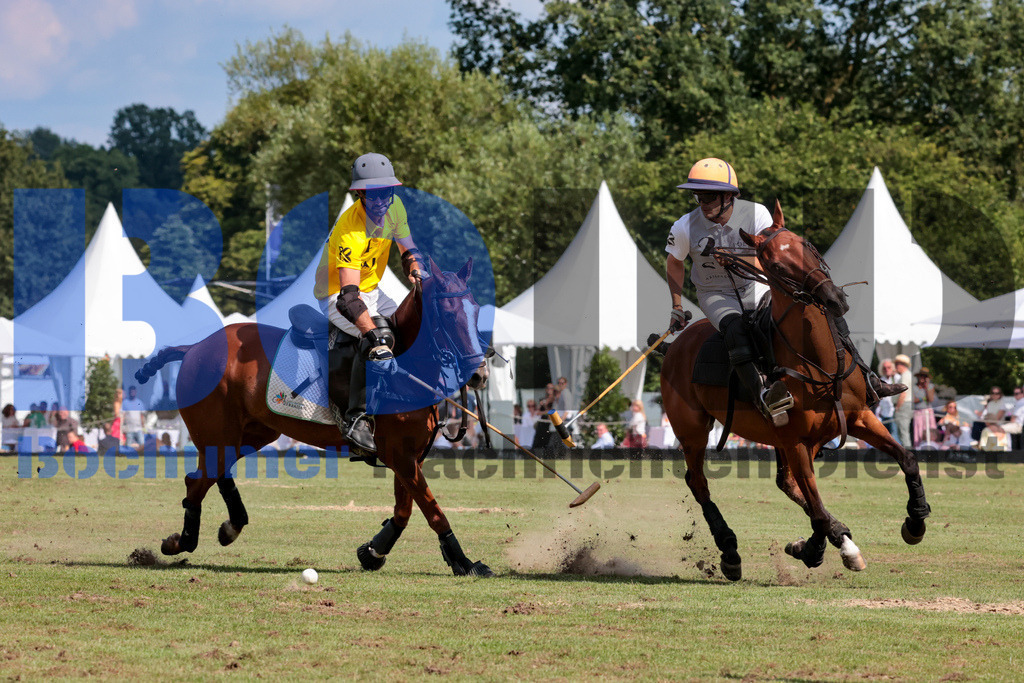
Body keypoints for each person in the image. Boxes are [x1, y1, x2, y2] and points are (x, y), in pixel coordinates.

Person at [664, 157, 902, 429]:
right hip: (716, 293)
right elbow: (674, 262)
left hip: (756, 285)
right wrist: (676, 305)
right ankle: (763, 394)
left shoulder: (757, 214)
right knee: (735, 329)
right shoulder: (684, 226)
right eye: (698, 196)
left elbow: (770, 253)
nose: (702, 203)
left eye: (708, 196)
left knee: (815, 312)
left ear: (728, 196)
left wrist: (737, 260)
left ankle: (867, 377)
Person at [314, 152, 423, 454]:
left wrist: (415, 268)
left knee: (417, 322)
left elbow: (408, 248)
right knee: (379, 337)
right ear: (360, 194)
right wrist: (373, 334)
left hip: (374, 290)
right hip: (337, 294)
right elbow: (348, 299)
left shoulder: (395, 207)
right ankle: (357, 419)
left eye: (385, 193)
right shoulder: (350, 229)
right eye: (372, 195)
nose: (380, 201)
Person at [911, 367, 937, 447]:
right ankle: (918, 446)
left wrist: (926, 387)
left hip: (928, 411)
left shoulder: (930, 387)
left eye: (925, 376)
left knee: (929, 430)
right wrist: (922, 398)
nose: (923, 378)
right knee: (918, 430)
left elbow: (931, 399)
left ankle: (930, 446)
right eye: (921, 376)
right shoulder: (914, 387)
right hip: (918, 412)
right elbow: (913, 400)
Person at [874, 358, 899, 440]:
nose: (886, 370)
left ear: (893, 368)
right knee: (884, 436)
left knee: (894, 435)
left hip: (894, 412)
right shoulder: (882, 380)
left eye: (889, 367)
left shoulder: (897, 378)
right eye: (884, 368)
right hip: (883, 412)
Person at [892, 354, 914, 447]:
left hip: (904, 405)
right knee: (903, 431)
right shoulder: (907, 375)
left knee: (903, 431)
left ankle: (908, 451)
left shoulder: (905, 375)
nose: (896, 367)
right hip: (907, 405)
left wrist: (897, 407)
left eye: (897, 364)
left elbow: (903, 393)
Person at [121, 385, 147, 450]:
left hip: (138, 428)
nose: (132, 393)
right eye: (131, 392)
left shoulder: (139, 403)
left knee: (142, 444)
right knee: (129, 445)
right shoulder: (125, 403)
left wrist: (143, 427)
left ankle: (142, 456)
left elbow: (142, 416)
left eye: (133, 392)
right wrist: (121, 427)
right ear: (129, 392)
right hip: (129, 428)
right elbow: (122, 416)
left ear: (135, 392)